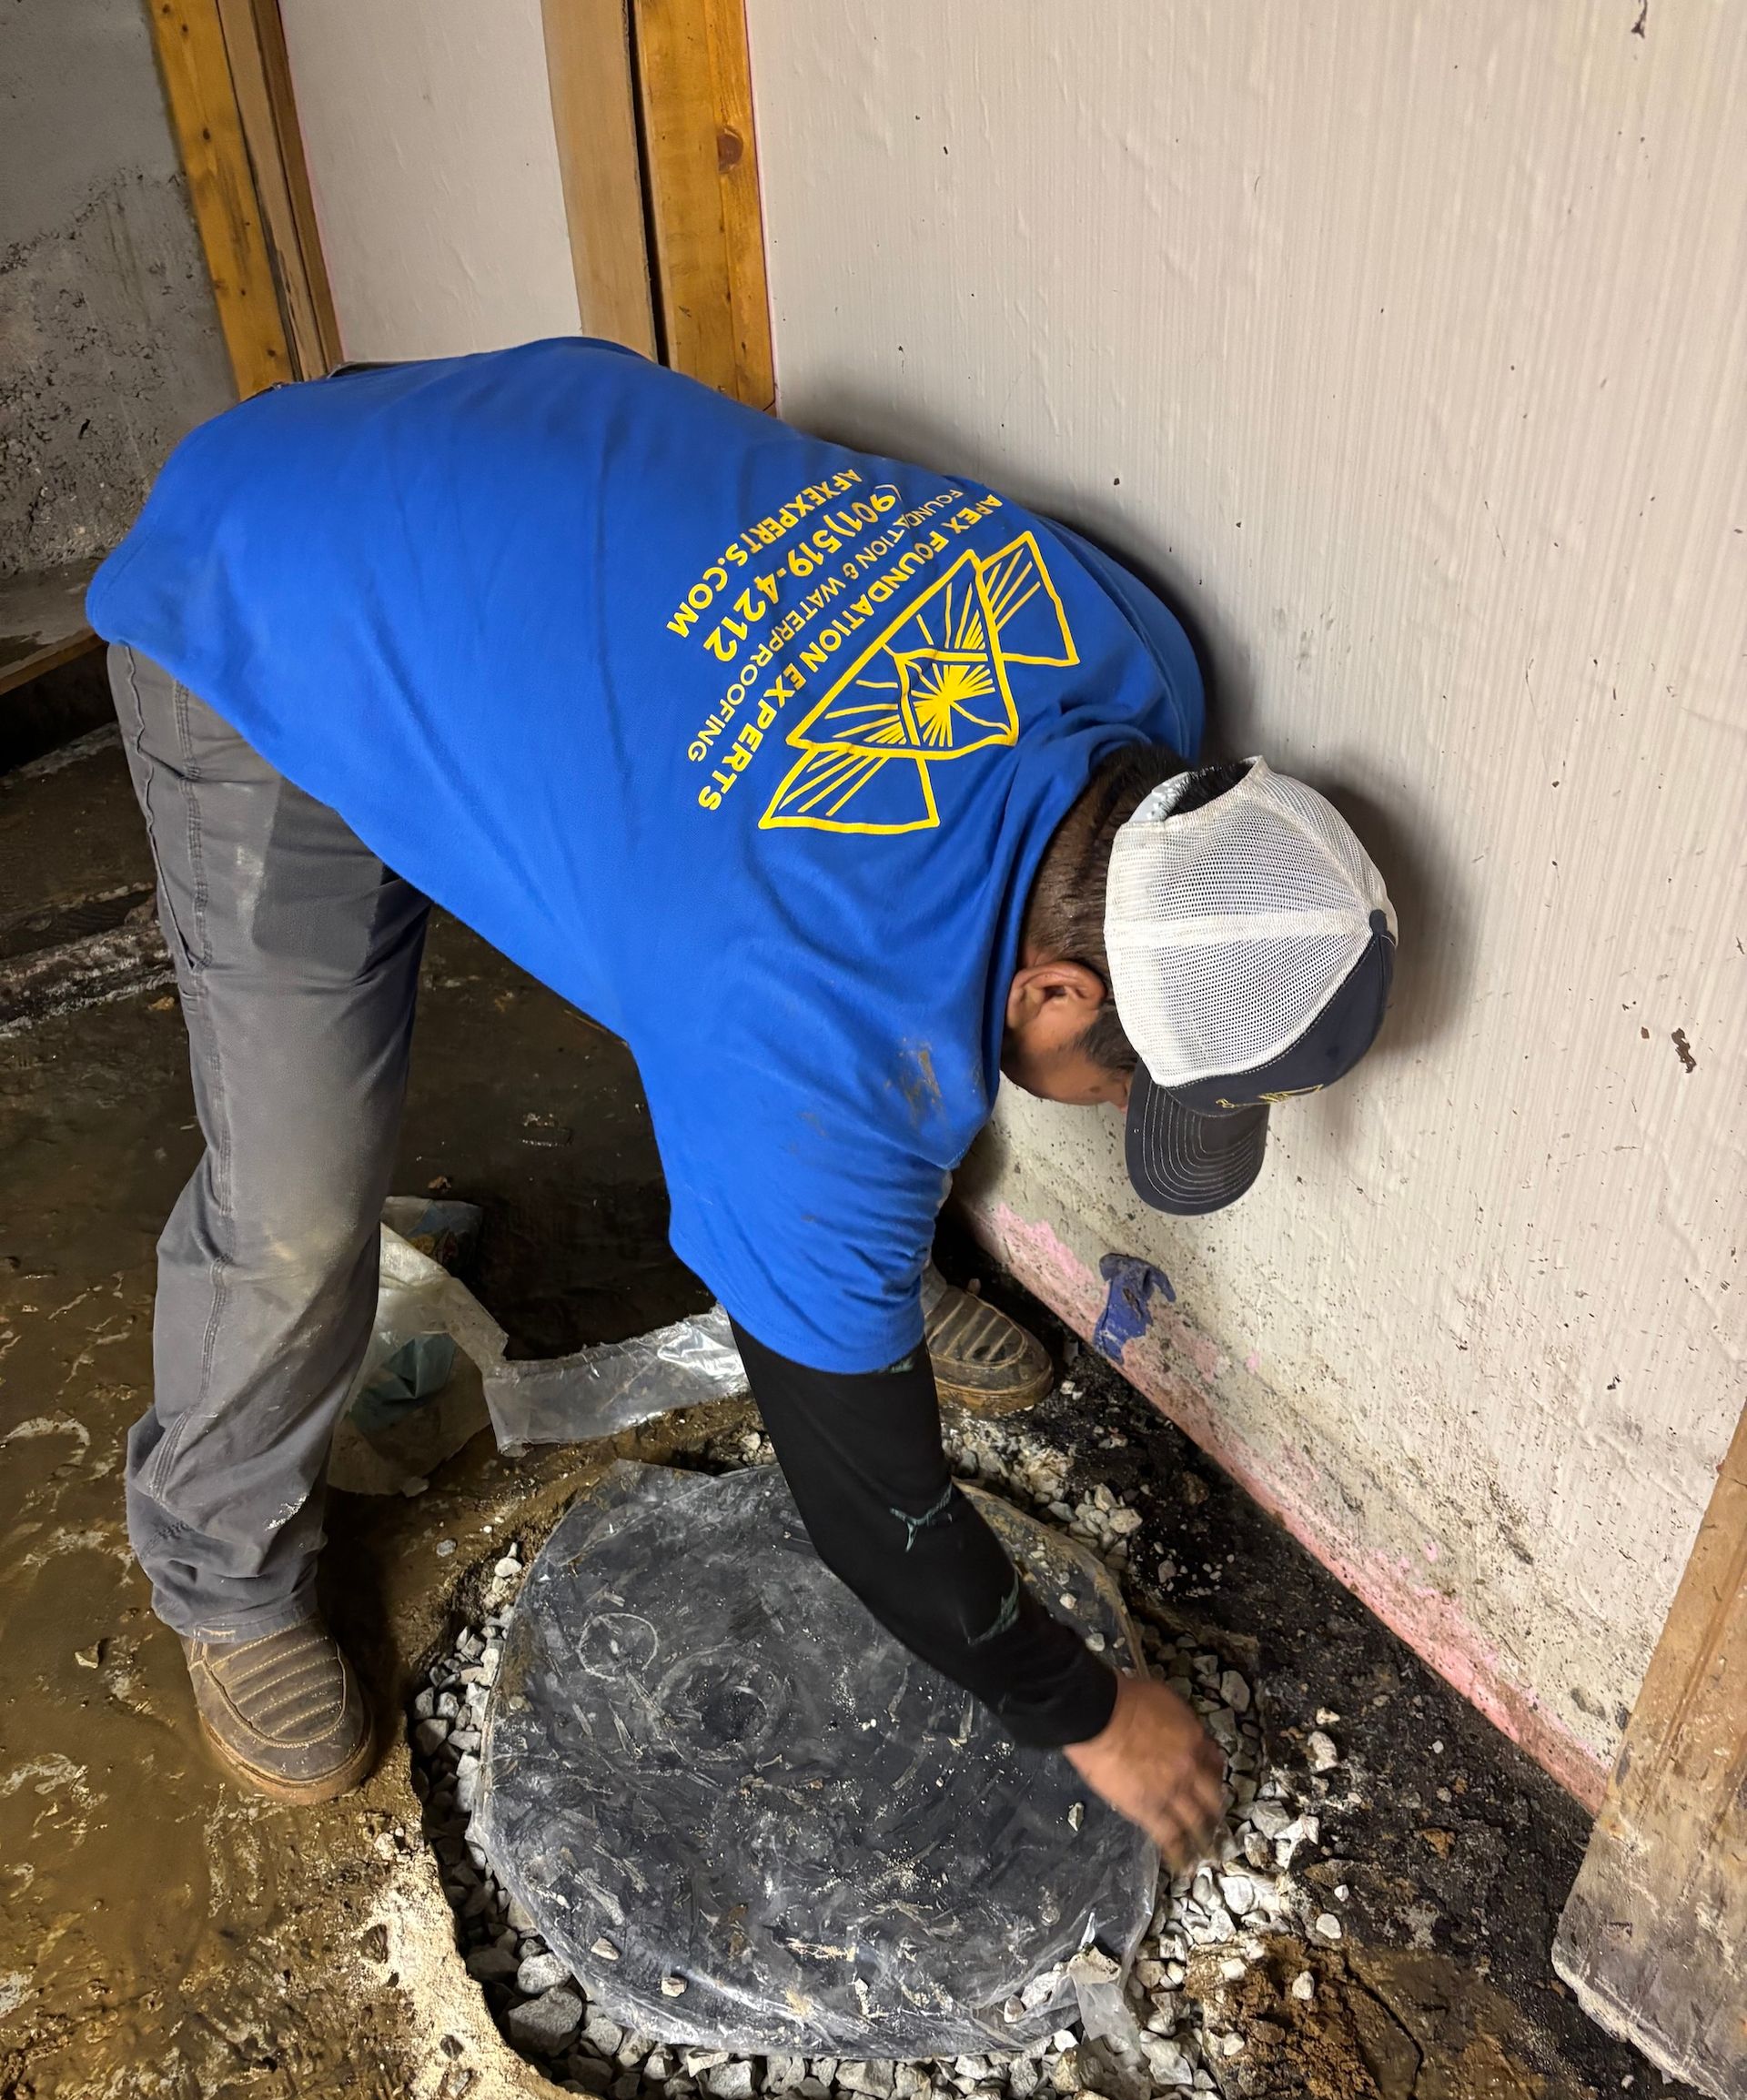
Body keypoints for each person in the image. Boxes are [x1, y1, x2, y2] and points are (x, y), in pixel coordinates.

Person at [87, 338, 1395, 1863]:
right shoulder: (792, 1019)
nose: (1117, 1110)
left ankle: (852, 1284)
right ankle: (222, 1573)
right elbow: (872, 1522)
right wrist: (1087, 1709)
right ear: (1064, 995)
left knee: (853, 1070)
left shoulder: (1129, 654)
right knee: (299, 1203)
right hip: (267, 586)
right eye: (1129, 1083)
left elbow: (917, 960)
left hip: (498, 486)